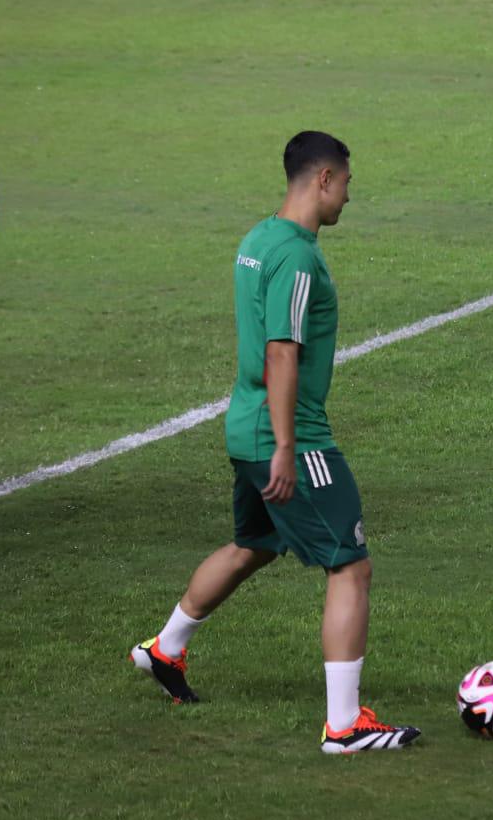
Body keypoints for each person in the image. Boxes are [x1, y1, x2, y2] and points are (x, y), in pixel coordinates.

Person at [129, 131, 420, 754]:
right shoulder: (297, 256)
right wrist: (287, 445)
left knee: (254, 544)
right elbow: (282, 350)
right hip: (288, 434)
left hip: (244, 426)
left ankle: (165, 649)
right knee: (350, 563)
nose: (347, 196)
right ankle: (344, 726)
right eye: (345, 183)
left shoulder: (258, 239)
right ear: (322, 179)